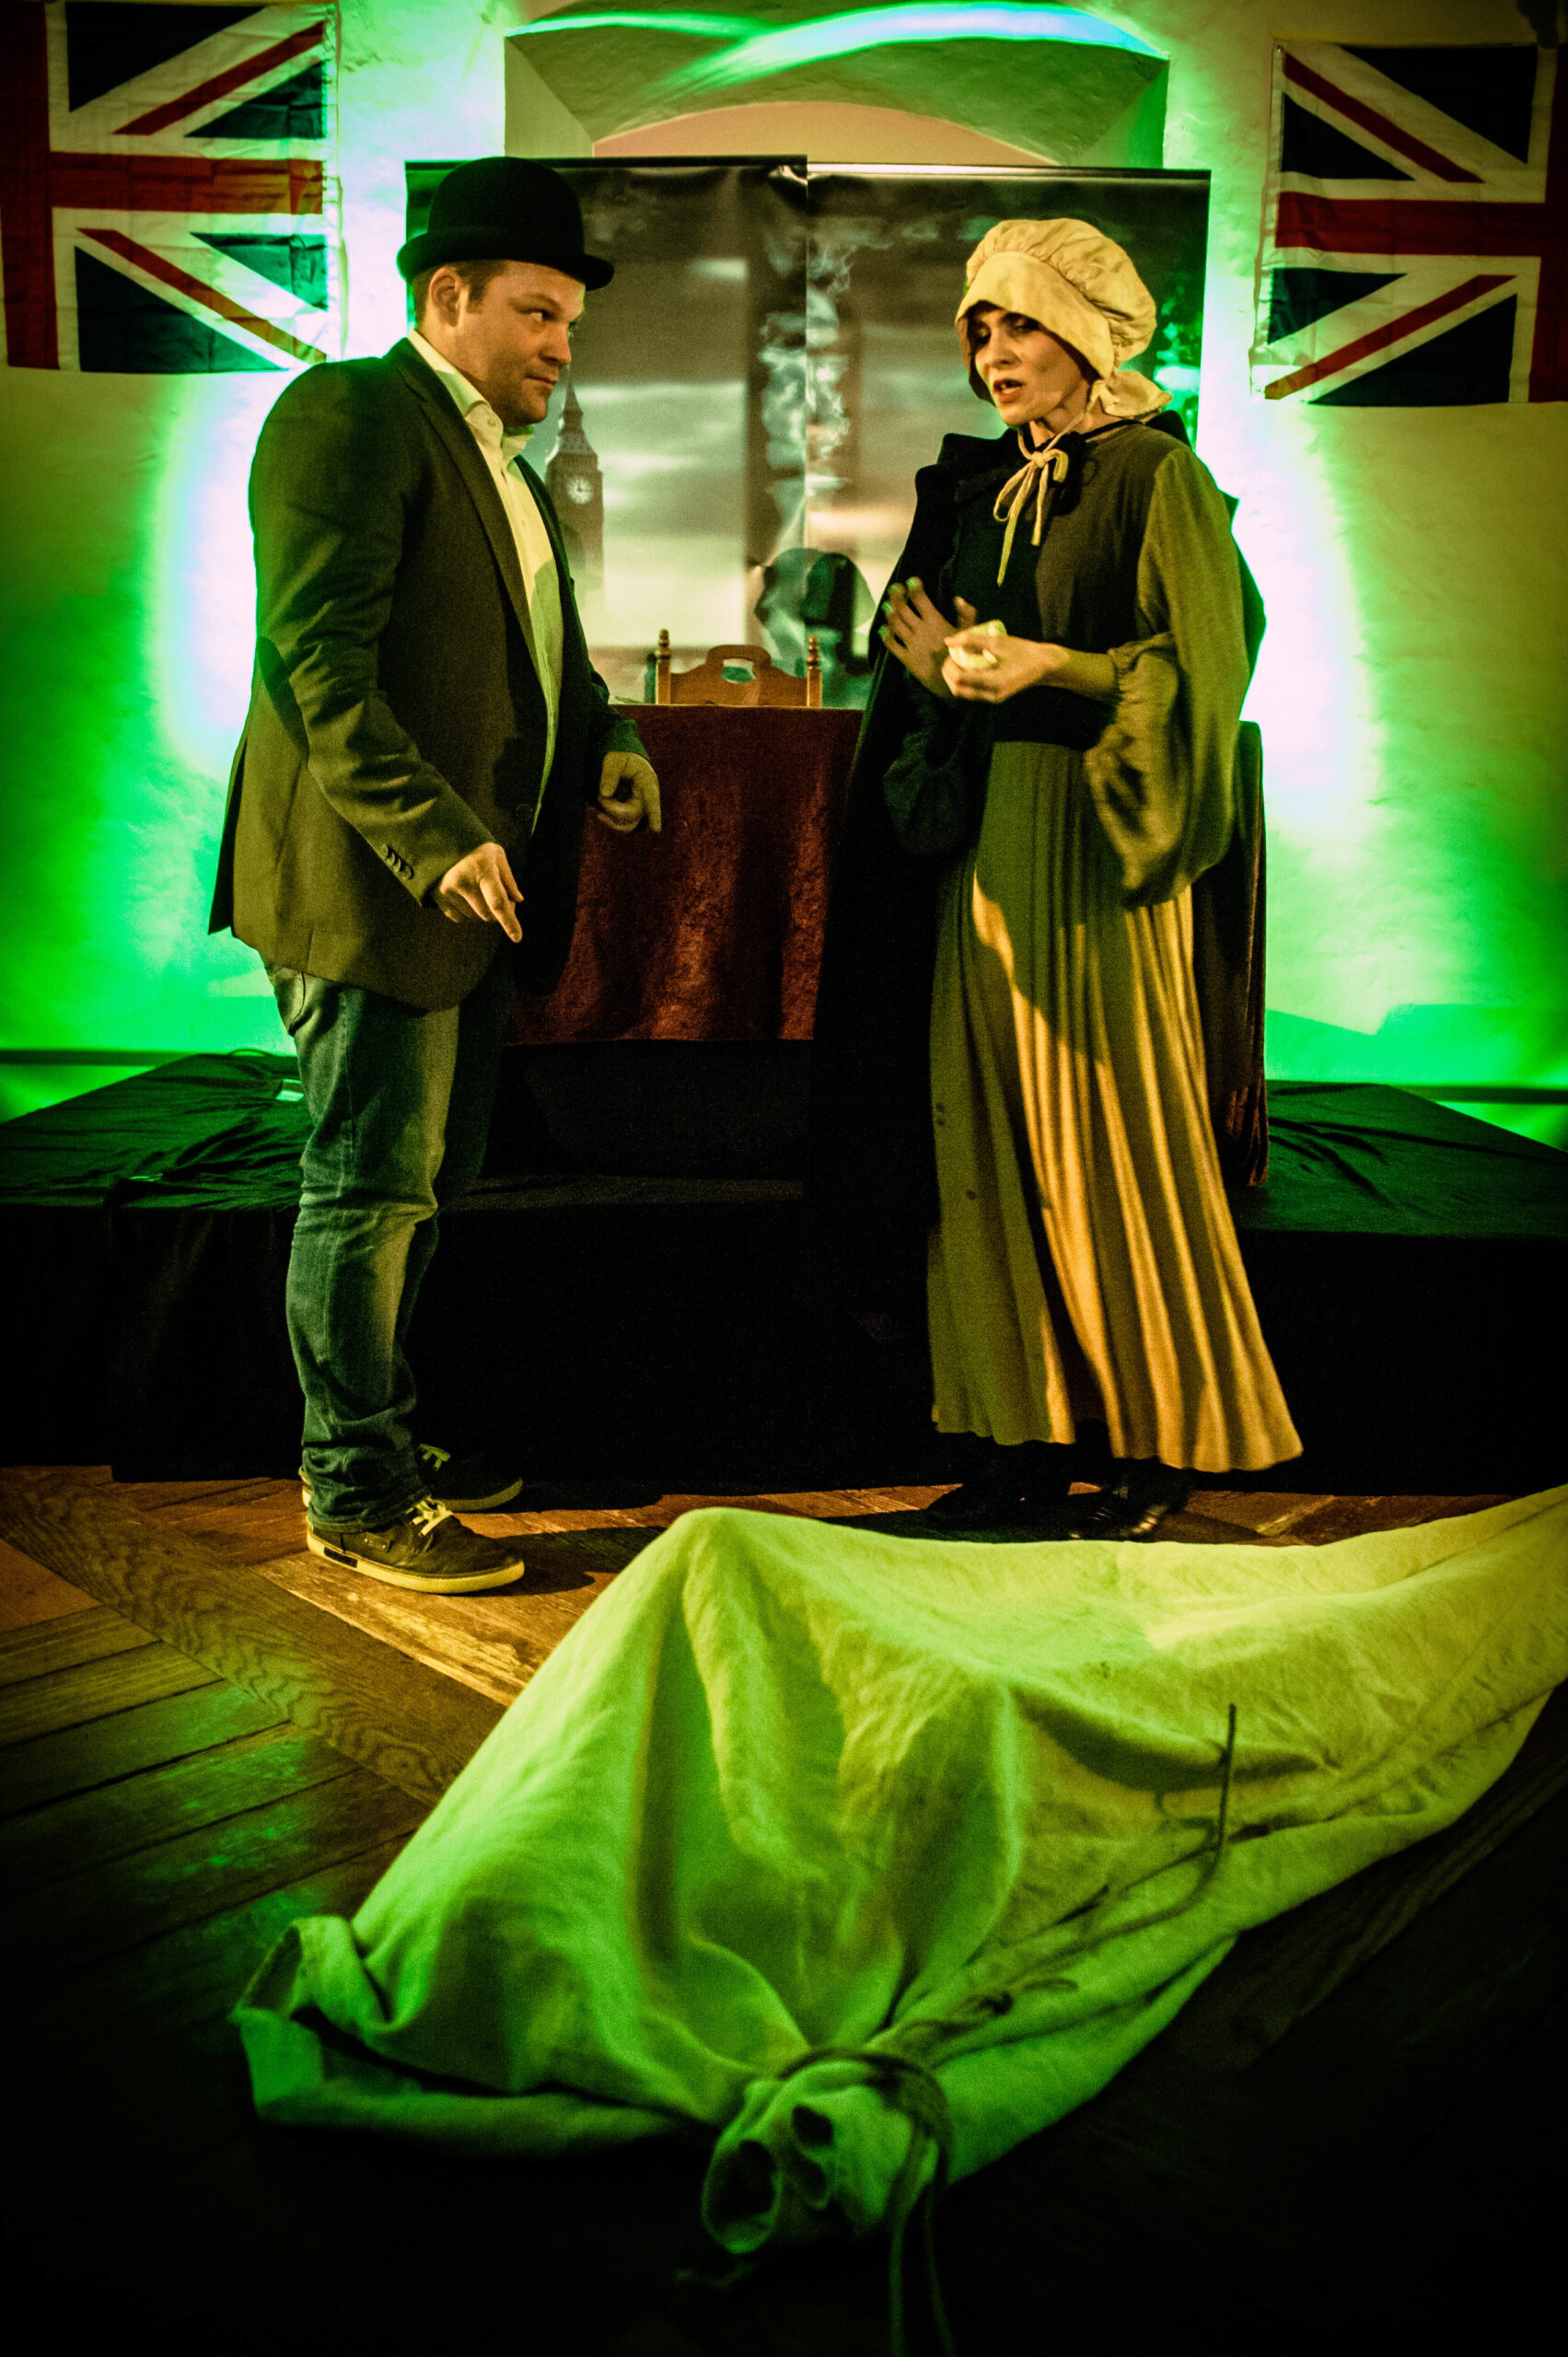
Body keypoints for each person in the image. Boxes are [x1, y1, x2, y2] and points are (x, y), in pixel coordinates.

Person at [208, 159, 661, 1594]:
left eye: (571, 322)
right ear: (448, 293)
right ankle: (355, 1492)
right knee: (368, 1192)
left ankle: (385, 1441)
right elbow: (319, 670)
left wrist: (608, 741)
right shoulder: (349, 413)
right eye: (539, 312)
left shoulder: (504, 465)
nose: (561, 346)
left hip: (463, 898)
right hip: (373, 889)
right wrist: (432, 836)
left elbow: (536, 660)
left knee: (418, 1193)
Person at [810, 217, 1300, 1536]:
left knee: (1110, 1148)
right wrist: (944, 674)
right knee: (983, 1145)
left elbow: (1205, 661)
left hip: (1094, 844)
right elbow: (962, 665)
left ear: (1085, 332)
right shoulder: (983, 493)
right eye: (978, 328)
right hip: (982, 847)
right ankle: (1016, 1445)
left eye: (1019, 322)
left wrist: (1055, 667)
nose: (993, 350)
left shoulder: (1154, 475)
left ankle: (1157, 1443)